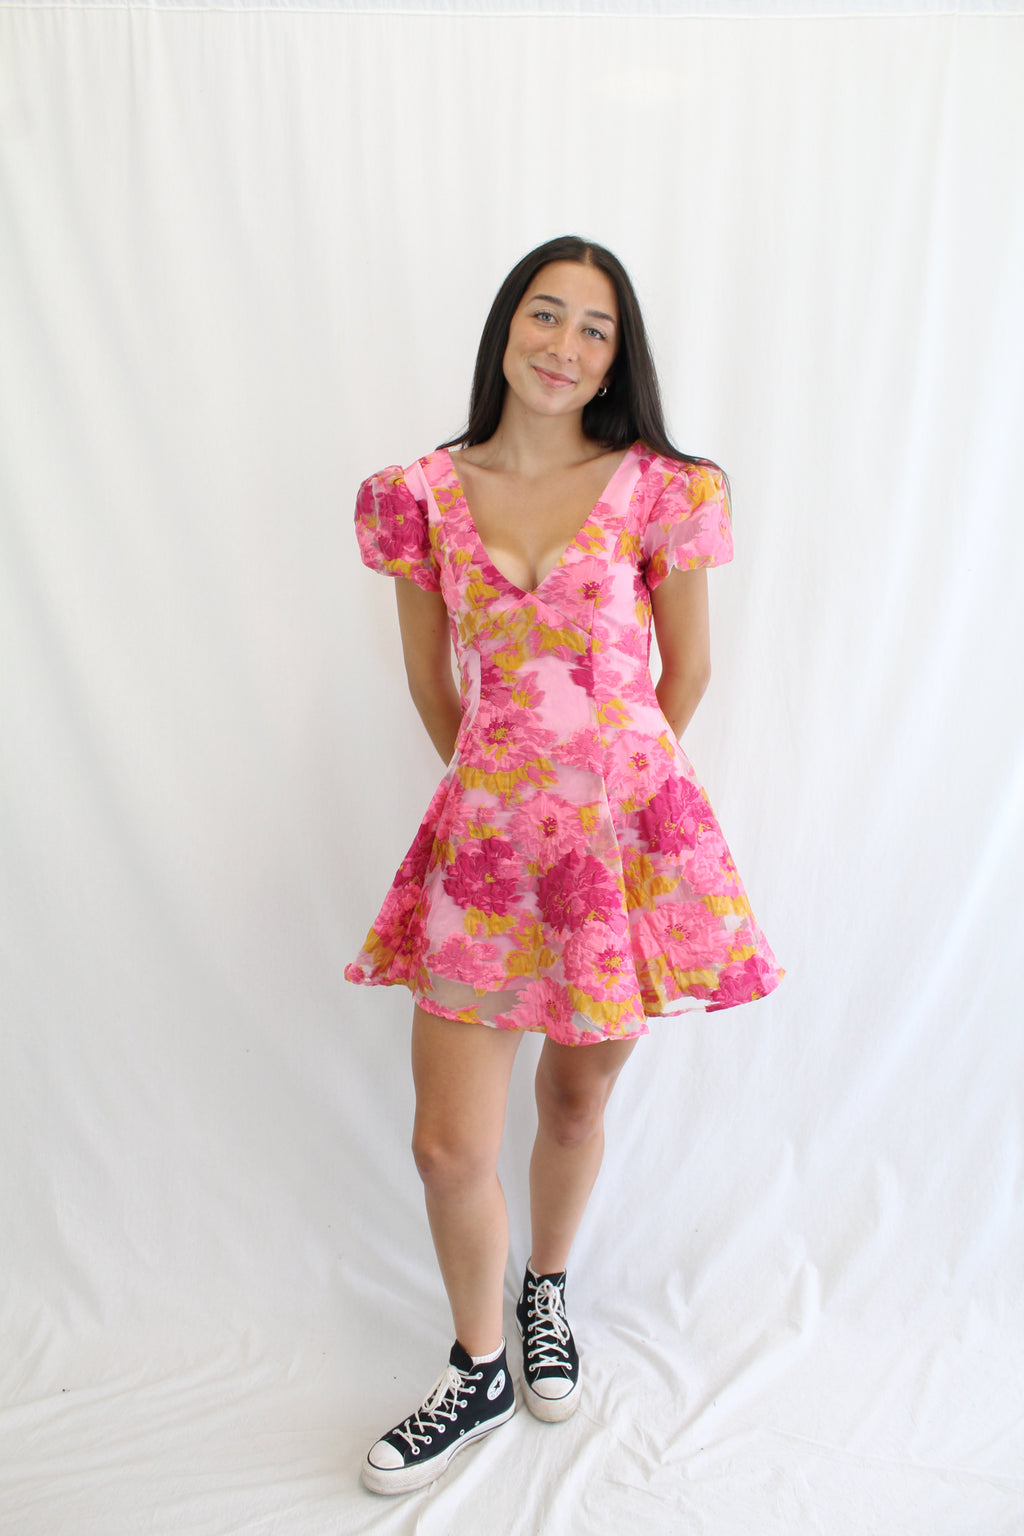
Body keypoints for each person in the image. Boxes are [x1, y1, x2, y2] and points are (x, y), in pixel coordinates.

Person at [345, 235, 783, 1495]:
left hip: (625, 853)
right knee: (446, 1145)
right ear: (506, 327)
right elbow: (431, 684)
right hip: (484, 852)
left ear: (615, 358)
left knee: (576, 1103)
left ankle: (545, 1286)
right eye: (546, 314)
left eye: (596, 329)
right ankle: (477, 1366)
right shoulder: (416, 493)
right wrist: (508, 788)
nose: (565, 346)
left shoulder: (665, 488)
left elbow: (686, 672)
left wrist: (606, 797)